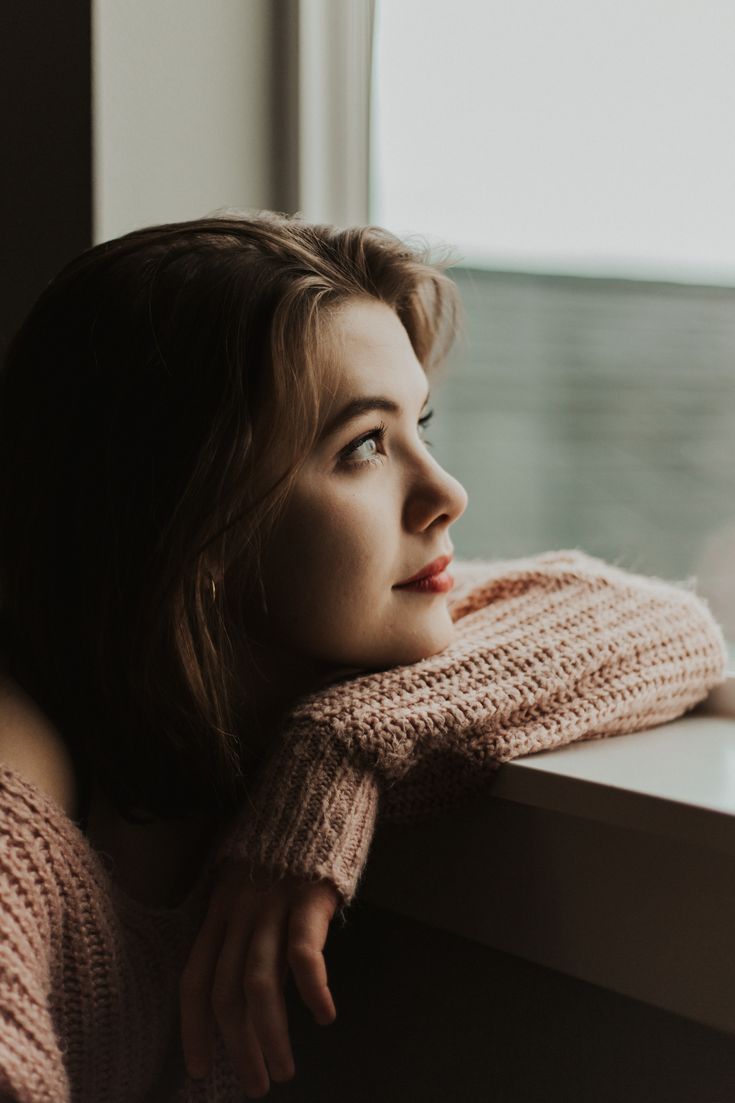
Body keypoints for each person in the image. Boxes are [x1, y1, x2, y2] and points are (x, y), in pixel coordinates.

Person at [0, 211, 728, 1102]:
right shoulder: (18, 757)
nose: (445, 491)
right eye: (364, 447)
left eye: (421, 424)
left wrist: (338, 753)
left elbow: (657, 624)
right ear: (183, 522)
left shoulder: (270, 682)